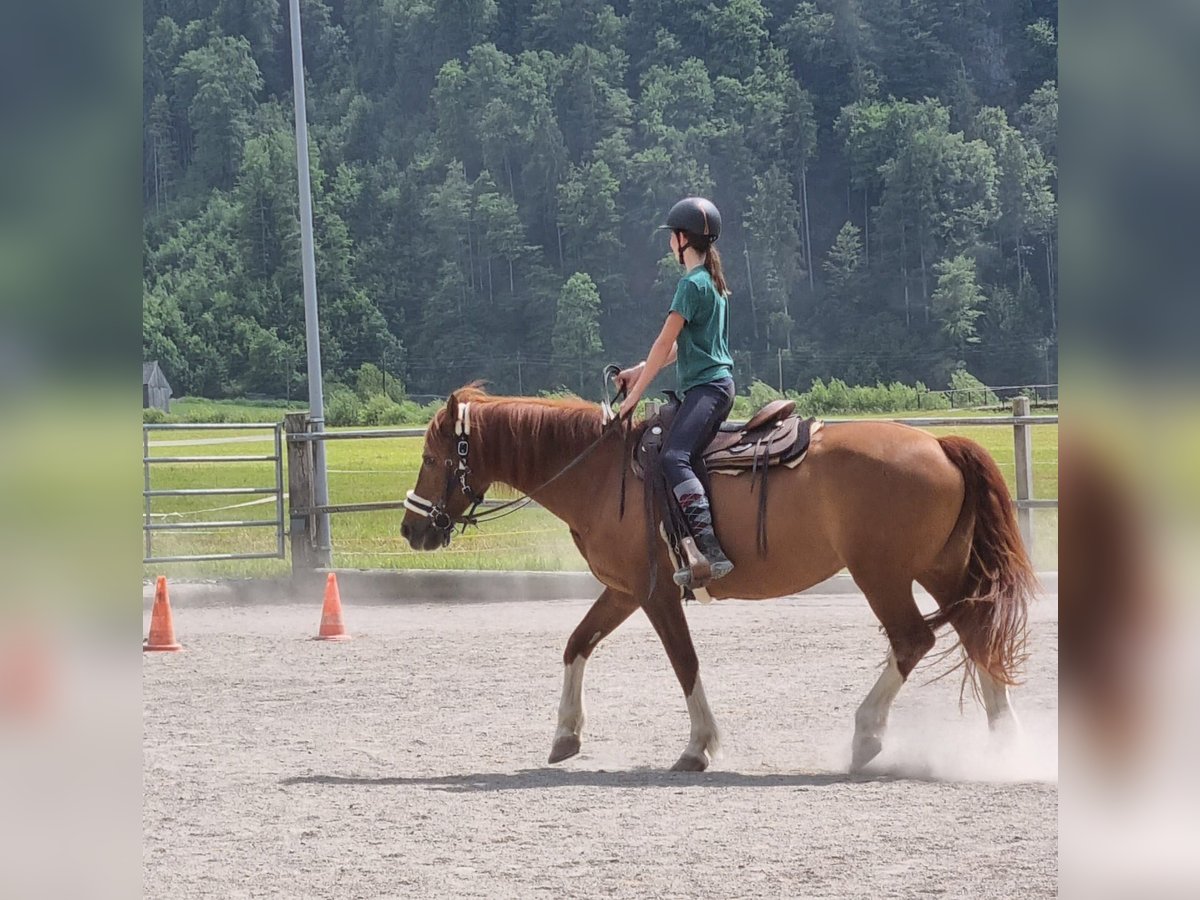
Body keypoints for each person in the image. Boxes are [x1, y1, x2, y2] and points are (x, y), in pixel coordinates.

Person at [616, 196, 736, 587]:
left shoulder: (690, 285)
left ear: (683, 239)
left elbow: (660, 343)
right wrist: (637, 373)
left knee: (674, 457)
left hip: (707, 388)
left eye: (671, 236)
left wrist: (633, 399)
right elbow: (678, 349)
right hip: (714, 386)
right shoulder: (712, 283)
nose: (670, 242)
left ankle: (708, 547)